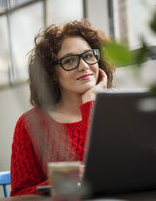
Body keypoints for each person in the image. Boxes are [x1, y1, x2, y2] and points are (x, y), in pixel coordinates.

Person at [10, 19, 115, 196]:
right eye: (69, 61)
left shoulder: (116, 111)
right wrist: (63, 181)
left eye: (89, 56)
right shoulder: (29, 124)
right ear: (52, 74)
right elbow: (20, 195)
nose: (84, 66)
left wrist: (91, 102)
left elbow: (114, 172)